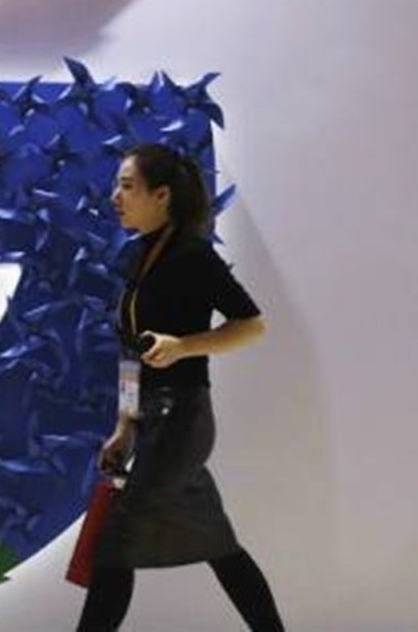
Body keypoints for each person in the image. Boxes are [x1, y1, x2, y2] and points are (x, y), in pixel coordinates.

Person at [74, 143, 285, 631]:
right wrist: (125, 425)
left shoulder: (192, 254)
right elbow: (132, 351)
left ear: (162, 195)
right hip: (155, 422)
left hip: (181, 420)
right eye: (117, 186)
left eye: (127, 186)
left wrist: (184, 346)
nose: (115, 196)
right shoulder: (142, 257)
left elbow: (251, 325)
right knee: (220, 547)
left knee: (115, 544)